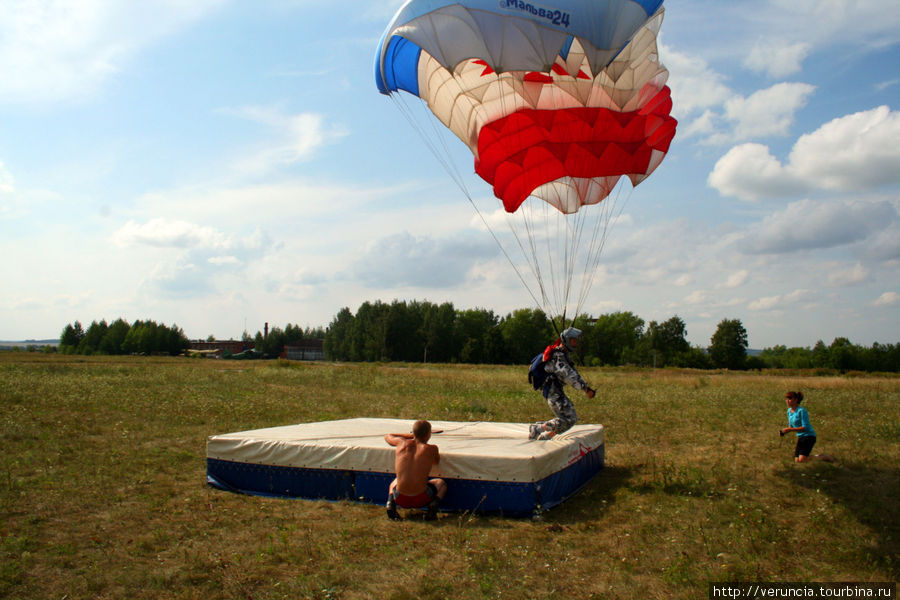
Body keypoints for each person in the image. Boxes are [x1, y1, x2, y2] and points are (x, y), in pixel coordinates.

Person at [529, 327, 596, 441]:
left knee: (568, 418)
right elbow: (569, 376)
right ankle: (538, 429)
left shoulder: (563, 355)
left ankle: (546, 435)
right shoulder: (558, 357)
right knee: (569, 418)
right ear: (567, 340)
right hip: (552, 391)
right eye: (573, 340)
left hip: (556, 390)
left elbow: (573, 372)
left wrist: (586, 387)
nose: (576, 343)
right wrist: (585, 389)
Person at [384, 420, 447, 520]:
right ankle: (433, 506)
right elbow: (436, 462)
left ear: (413, 433)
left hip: (400, 499)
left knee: (395, 481)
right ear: (428, 434)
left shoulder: (400, 443)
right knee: (441, 483)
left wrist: (410, 436)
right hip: (422, 498)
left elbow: (388, 436)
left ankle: (390, 503)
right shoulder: (432, 448)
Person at [780, 391, 835, 463]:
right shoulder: (789, 411)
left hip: (809, 436)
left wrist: (790, 430)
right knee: (797, 461)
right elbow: (791, 426)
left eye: (790, 398)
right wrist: (784, 431)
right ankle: (817, 456)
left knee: (802, 459)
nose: (787, 401)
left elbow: (805, 427)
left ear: (796, 400)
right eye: (786, 398)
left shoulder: (801, 411)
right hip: (800, 437)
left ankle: (824, 457)